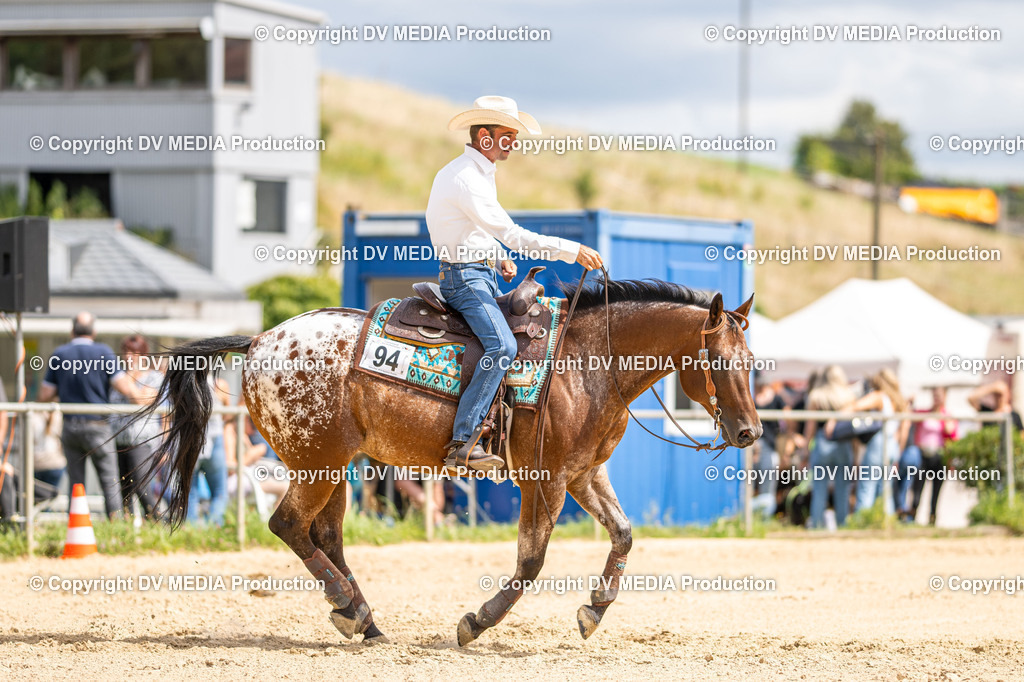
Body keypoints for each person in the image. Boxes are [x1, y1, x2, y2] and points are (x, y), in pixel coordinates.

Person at [425, 95, 604, 474]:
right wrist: (570, 250)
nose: (513, 142)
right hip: (464, 279)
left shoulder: (471, 174)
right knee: (502, 345)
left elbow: (469, 229)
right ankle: (464, 440)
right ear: (485, 137)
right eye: (507, 135)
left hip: (476, 272)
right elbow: (513, 234)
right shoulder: (467, 179)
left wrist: (494, 255)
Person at [38, 312, 143, 518]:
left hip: (70, 426)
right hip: (98, 426)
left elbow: (45, 394)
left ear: (72, 331)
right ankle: (116, 530)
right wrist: (141, 392)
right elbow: (125, 388)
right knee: (110, 481)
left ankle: (74, 530)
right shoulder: (104, 352)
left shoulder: (60, 354)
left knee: (76, 485)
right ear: (94, 331)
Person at [109, 335, 163, 518]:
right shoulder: (118, 377)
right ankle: (128, 532)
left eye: (134, 353)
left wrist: (129, 377)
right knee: (123, 493)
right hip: (118, 440)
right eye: (126, 352)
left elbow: (141, 399)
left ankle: (158, 526)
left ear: (143, 355)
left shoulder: (154, 377)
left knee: (142, 487)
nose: (128, 357)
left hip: (141, 441)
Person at [851, 369, 910, 514]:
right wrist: (897, 454)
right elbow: (904, 430)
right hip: (892, 445)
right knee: (885, 490)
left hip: (878, 443)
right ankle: (886, 524)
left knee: (867, 486)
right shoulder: (899, 401)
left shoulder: (879, 397)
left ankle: (861, 523)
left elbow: (856, 406)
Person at [805, 365, 856, 529]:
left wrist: (806, 448)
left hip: (822, 443)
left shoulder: (816, 396)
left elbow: (810, 427)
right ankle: (842, 524)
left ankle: (817, 525)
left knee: (819, 488)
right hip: (843, 444)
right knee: (843, 488)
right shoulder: (849, 396)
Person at [910, 386, 957, 525]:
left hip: (939, 456)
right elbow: (911, 417)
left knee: (936, 492)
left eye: (939, 395)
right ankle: (912, 516)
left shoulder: (947, 415)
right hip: (923, 455)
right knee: (918, 489)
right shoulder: (925, 413)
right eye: (935, 395)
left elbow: (952, 434)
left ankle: (932, 518)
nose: (937, 398)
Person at [752, 371, 786, 518]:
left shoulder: (777, 399)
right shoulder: (751, 398)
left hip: (770, 447)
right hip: (752, 447)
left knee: (768, 486)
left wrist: (785, 448)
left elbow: (787, 424)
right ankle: (750, 520)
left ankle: (764, 519)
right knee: (748, 487)